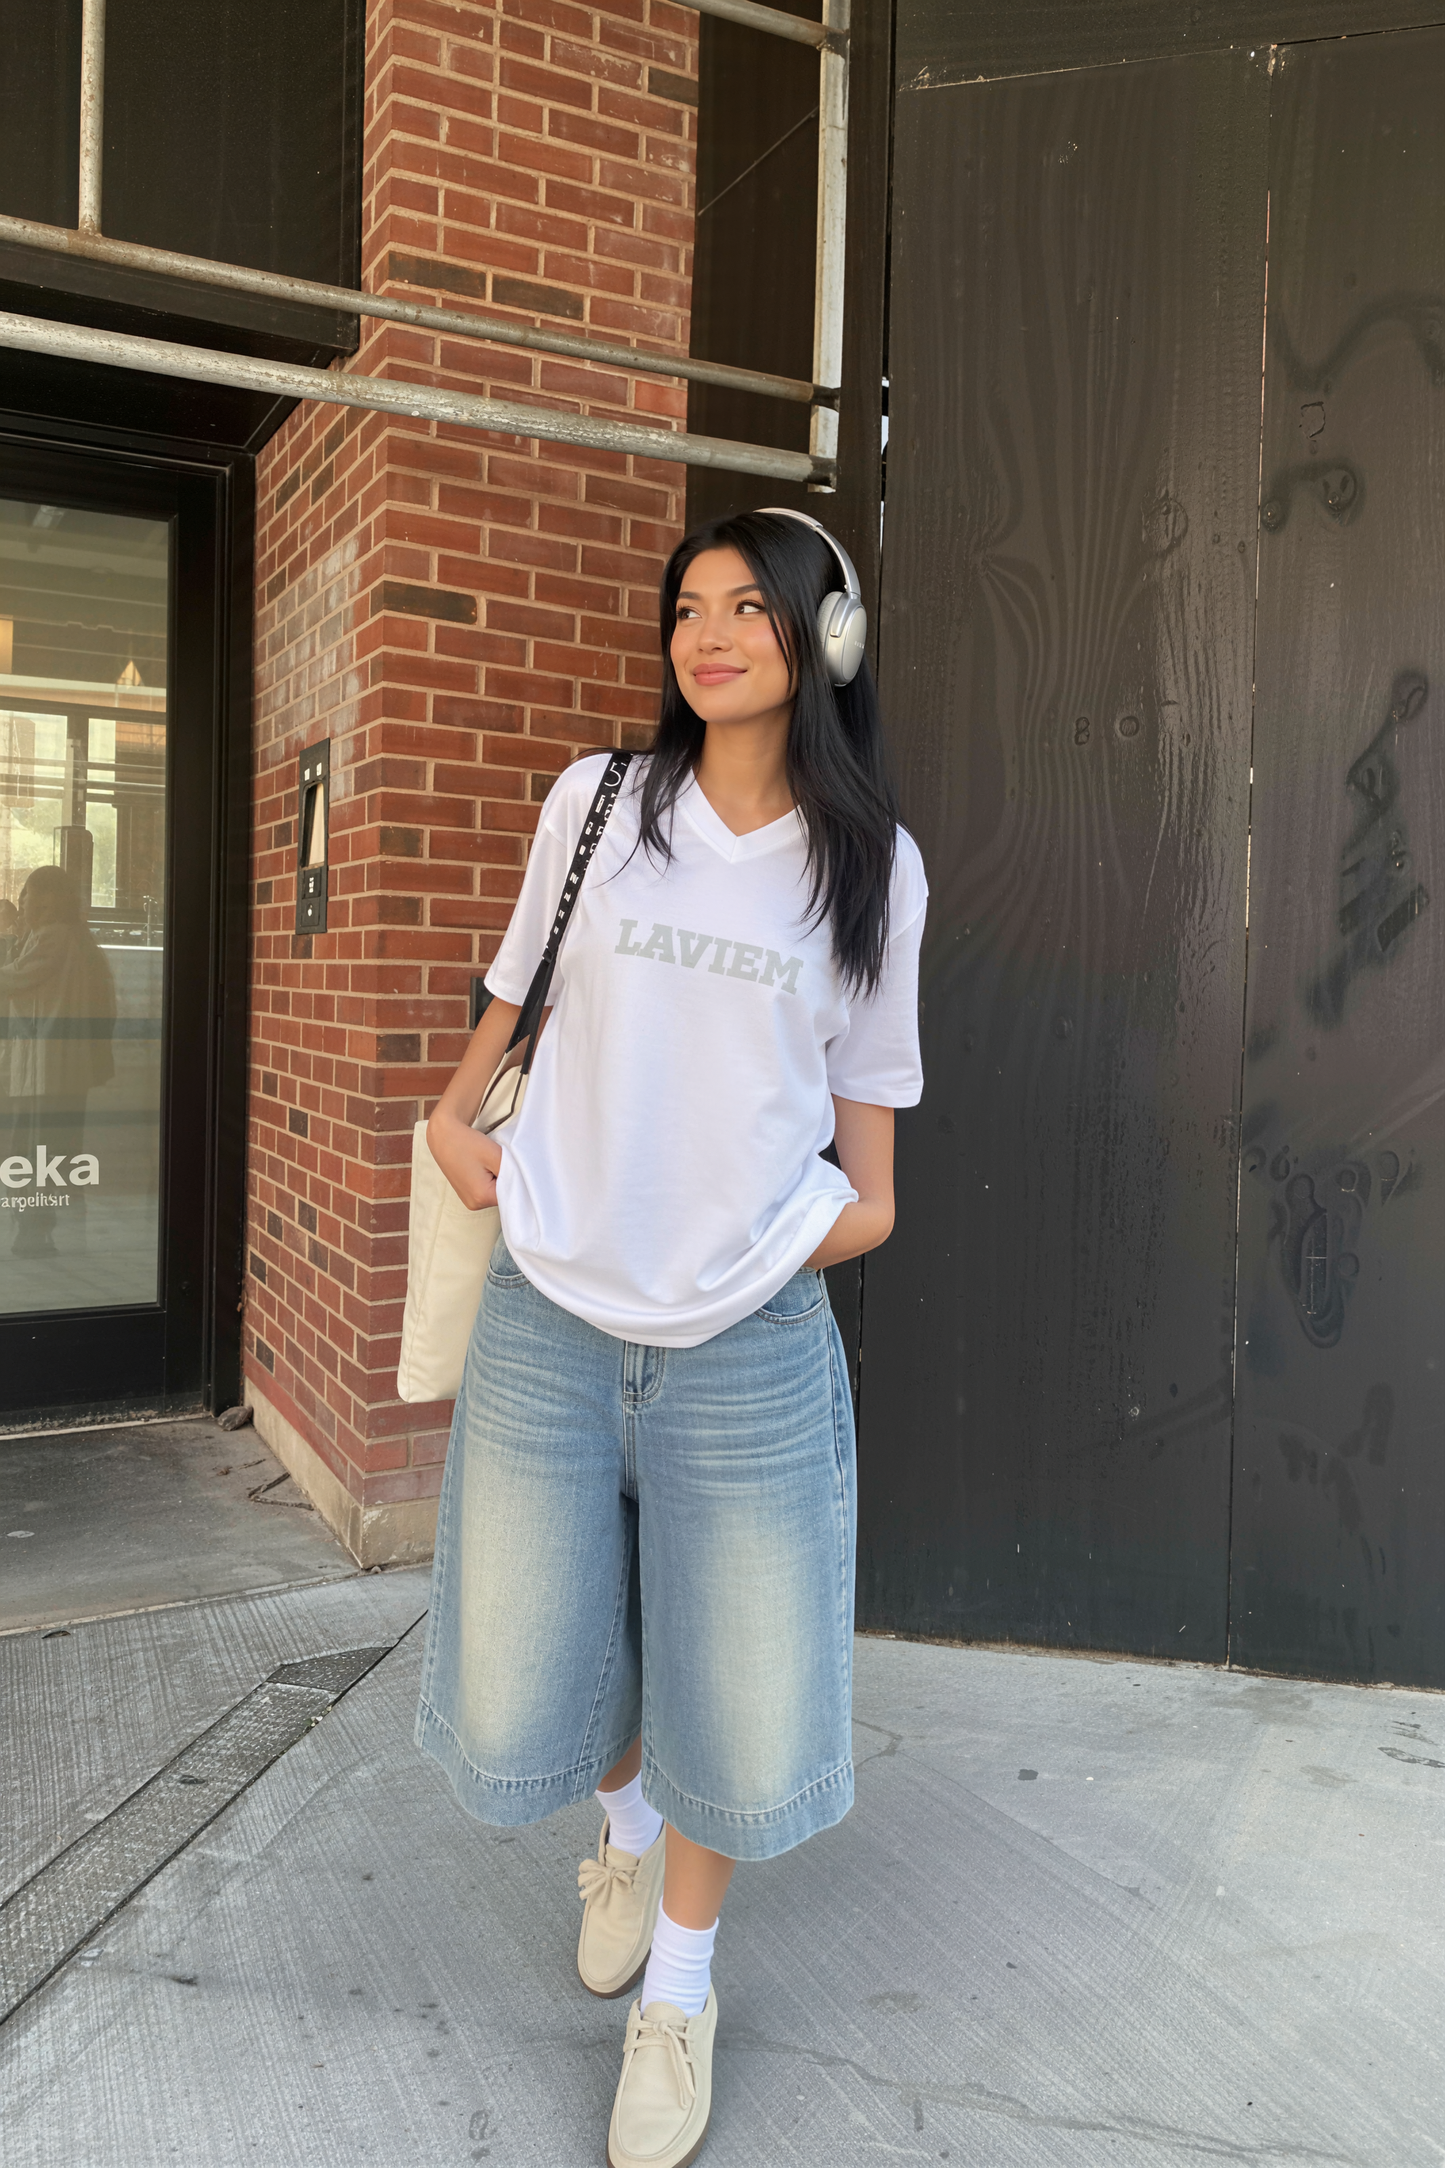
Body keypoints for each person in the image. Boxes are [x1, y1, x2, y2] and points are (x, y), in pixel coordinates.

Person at [415, 509, 927, 2168]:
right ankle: (621, 1832)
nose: (707, 635)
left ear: (824, 640)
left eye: (748, 608)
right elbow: (511, 1004)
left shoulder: (872, 872)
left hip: (746, 1351)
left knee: (735, 1687)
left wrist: (749, 1253)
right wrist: (453, 1120)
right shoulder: (598, 805)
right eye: (688, 607)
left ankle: (680, 1993)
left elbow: (873, 1186)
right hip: (549, 1326)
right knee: (539, 1667)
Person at [0, 865, 116, 1258]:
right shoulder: (68, 937)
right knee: (48, 1148)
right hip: (56, 1067)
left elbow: (14, 979)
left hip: (46, 1067)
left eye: (35, 901)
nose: (27, 908)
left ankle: (33, 1230)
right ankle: (39, 1229)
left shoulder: (54, 936)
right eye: (26, 901)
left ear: (54, 904)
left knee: (34, 1149)